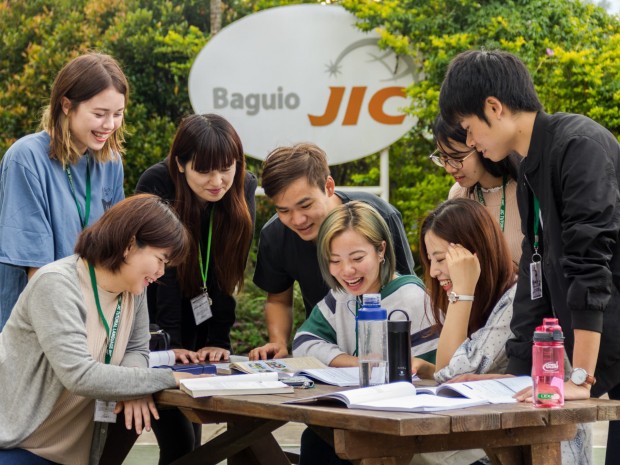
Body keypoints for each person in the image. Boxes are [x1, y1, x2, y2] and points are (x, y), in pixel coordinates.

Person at [438, 49, 620, 464]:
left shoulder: (578, 145)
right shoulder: (529, 171)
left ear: (494, 107)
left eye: (468, 129)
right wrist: (514, 373)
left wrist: (580, 377)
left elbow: (590, 266)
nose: (471, 143)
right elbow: (534, 283)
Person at [0, 194, 198, 465]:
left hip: (76, 456)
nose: (162, 272)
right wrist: (172, 378)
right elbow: (79, 375)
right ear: (130, 245)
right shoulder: (56, 284)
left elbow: (137, 349)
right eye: (160, 259)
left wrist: (134, 386)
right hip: (18, 446)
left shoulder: (134, 291)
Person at [414, 198, 589, 465]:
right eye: (430, 260)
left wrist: (463, 291)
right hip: (505, 439)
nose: (434, 271)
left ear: (474, 254)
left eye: (440, 259)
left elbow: (450, 373)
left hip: (546, 445)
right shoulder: (487, 298)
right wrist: (428, 370)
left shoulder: (516, 300)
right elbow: (447, 373)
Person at [135, 113, 256, 464]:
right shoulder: (157, 182)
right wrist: (170, 344)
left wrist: (219, 340)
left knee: (197, 440)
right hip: (155, 323)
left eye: (226, 169)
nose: (217, 182)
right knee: (181, 444)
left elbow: (229, 267)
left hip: (203, 318)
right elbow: (162, 272)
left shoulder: (243, 185)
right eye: (204, 171)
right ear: (180, 164)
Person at [292, 201, 437, 465]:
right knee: (316, 439)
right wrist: (359, 363)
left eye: (358, 258)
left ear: (381, 250)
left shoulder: (412, 299)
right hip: (357, 416)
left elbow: (429, 375)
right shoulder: (341, 296)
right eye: (335, 261)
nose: (347, 271)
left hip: (409, 432)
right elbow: (304, 343)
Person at [250, 142, 415, 360]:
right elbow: (278, 299)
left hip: (386, 349)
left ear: (328, 186)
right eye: (284, 210)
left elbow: (405, 289)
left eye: (306, 205)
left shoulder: (378, 217)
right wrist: (278, 342)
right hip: (323, 350)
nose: (297, 220)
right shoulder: (275, 235)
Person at [0, 52, 127, 331]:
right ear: (67, 105)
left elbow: (115, 247)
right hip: (35, 324)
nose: (109, 125)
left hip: (88, 318)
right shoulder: (26, 159)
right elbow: (37, 270)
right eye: (99, 114)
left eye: (117, 114)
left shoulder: (110, 162)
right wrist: (66, 334)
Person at [430, 115, 523, 264]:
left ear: (481, 146)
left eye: (457, 158)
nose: (449, 168)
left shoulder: (528, 188)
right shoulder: (458, 195)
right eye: (443, 158)